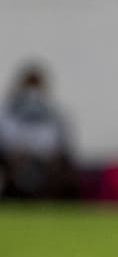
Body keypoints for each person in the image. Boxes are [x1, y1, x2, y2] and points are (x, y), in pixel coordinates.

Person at [0, 62, 80, 200]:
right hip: (13, 161)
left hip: (47, 163)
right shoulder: (7, 111)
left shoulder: (55, 114)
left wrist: (50, 158)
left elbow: (62, 143)